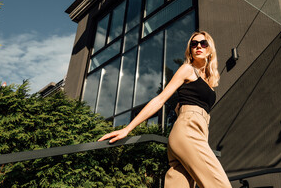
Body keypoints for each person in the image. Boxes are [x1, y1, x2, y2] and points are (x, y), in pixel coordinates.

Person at [98, 31, 232, 188]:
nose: (198, 47)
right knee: (220, 184)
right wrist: (127, 128)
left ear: (210, 49)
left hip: (199, 133)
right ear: (190, 50)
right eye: (194, 44)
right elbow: (160, 99)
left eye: (203, 43)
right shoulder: (187, 69)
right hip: (188, 132)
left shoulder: (209, 82)